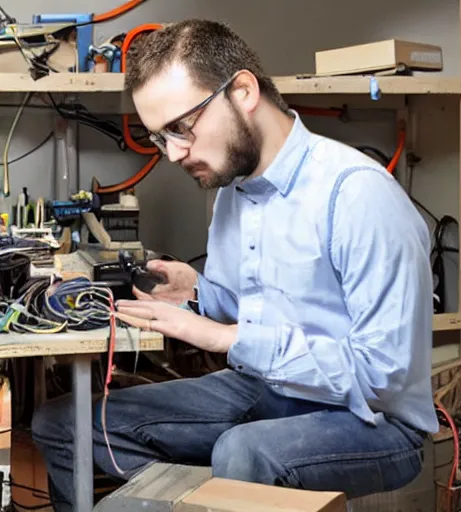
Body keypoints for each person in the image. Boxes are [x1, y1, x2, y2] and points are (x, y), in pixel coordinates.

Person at [32, 19, 439, 510]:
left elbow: (384, 374)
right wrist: (199, 292)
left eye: (181, 128)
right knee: (63, 425)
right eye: (162, 138)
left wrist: (229, 338)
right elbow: (243, 306)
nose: (175, 153)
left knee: (243, 451)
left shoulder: (357, 195)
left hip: (374, 419)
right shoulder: (232, 187)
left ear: (243, 91)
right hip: (265, 387)